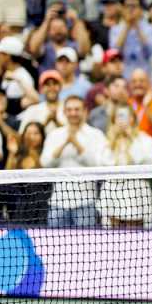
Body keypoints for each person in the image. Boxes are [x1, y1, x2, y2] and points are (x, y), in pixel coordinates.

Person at [40, 96, 110, 227]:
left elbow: (101, 165)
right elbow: (44, 163)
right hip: (58, 202)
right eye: (69, 109)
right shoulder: (55, 135)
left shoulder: (96, 135)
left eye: (77, 109)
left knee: (86, 247)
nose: (73, 113)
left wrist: (77, 145)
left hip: (86, 202)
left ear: (85, 111)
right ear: (65, 112)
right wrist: (64, 143)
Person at [97, 103, 152, 229]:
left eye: (125, 116)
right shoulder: (105, 141)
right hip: (111, 190)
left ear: (133, 119)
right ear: (113, 120)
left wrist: (132, 139)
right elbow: (102, 164)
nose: (122, 120)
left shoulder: (145, 140)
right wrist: (113, 143)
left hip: (137, 191)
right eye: (119, 116)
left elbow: (148, 163)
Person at [17, 70, 65, 135]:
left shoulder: (70, 108)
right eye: (47, 84)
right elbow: (23, 136)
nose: (51, 87)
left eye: (55, 83)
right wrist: (45, 123)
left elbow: (75, 134)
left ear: (60, 87)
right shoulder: (32, 110)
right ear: (42, 89)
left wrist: (56, 121)